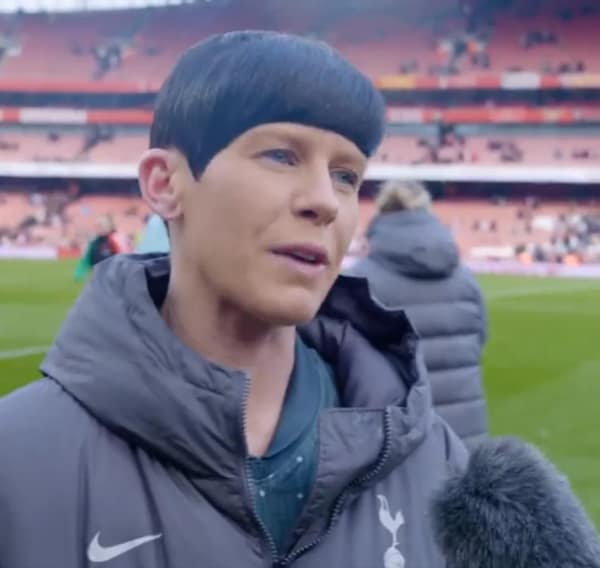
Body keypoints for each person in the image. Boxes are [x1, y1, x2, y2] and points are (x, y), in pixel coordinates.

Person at [0, 32, 467, 567]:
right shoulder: (16, 463)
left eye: (346, 176)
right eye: (281, 156)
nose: (326, 201)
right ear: (164, 184)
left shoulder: (439, 465)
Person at [347, 180, 488, 449]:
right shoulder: (467, 280)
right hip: (465, 439)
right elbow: (479, 341)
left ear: (381, 212)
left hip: (399, 442)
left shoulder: (359, 281)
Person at [73, 213, 124, 281]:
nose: (98, 228)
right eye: (97, 226)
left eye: (100, 226)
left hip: (109, 276)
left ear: (107, 227)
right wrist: (79, 272)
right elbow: (87, 260)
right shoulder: (93, 243)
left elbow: (119, 258)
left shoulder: (112, 241)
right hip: (96, 276)